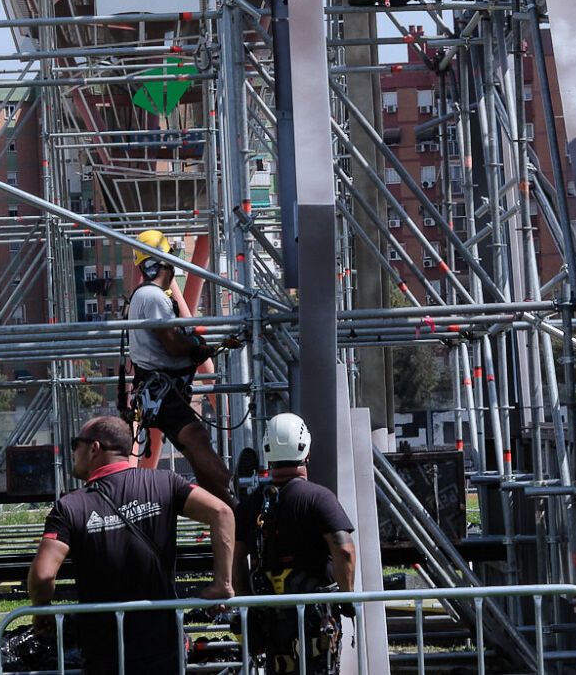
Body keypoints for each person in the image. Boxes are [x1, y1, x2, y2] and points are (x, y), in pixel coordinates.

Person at [27, 415, 237, 675]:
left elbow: (43, 575)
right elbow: (223, 513)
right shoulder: (165, 483)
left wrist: (42, 609)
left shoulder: (69, 507)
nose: (72, 451)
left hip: (105, 653)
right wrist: (222, 583)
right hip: (164, 648)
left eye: (75, 444)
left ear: (94, 448)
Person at [235, 413, 359, 674]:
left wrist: (249, 606)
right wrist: (347, 598)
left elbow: (235, 562)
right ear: (307, 450)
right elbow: (344, 550)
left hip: (270, 623)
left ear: (267, 450)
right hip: (314, 625)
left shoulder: (250, 506)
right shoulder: (319, 499)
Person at [123, 229, 233, 499]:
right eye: (170, 259)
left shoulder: (149, 295)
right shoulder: (153, 297)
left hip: (160, 391)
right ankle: (232, 500)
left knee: (195, 444)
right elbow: (171, 343)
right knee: (197, 440)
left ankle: (223, 502)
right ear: (159, 261)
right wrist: (196, 348)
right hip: (163, 391)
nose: (174, 265)